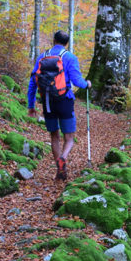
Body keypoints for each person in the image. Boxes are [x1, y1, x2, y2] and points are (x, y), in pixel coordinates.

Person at [27, 30, 91, 181]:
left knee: (54, 135)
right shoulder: (70, 57)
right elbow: (77, 81)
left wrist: (31, 105)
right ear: (66, 43)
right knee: (69, 137)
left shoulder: (42, 56)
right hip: (65, 101)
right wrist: (87, 84)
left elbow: (32, 82)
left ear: (53, 40)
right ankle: (63, 157)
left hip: (47, 101)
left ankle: (58, 167)